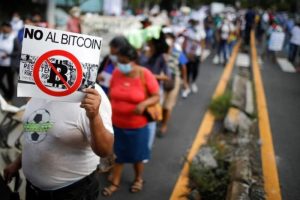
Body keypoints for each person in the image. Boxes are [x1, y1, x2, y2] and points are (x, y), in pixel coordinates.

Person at [3, 85, 114, 200]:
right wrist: (17, 163)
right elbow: (37, 133)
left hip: (73, 193)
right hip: (33, 190)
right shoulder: (39, 86)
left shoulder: (91, 94)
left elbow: (105, 150)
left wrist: (94, 116)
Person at [102, 43, 159, 196]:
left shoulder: (144, 74)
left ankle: (138, 179)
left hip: (137, 126)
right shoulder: (116, 73)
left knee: (138, 156)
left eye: (125, 61)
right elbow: (110, 94)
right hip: (117, 124)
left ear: (134, 60)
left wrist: (144, 103)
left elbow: (156, 96)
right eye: (120, 61)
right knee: (117, 155)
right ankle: (115, 182)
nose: (122, 65)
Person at [158, 32, 188, 136]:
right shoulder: (160, 53)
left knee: (168, 105)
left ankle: (164, 125)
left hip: (174, 80)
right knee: (160, 103)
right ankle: (162, 118)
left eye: (169, 38)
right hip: (160, 80)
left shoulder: (178, 52)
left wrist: (184, 82)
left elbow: (183, 67)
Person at [182, 16, 206, 97]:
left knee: (195, 70)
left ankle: (193, 82)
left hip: (197, 54)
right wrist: (183, 53)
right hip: (188, 54)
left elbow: (202, 43)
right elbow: (184, 42)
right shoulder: (187, 30)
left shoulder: (201, 31)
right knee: (187, 70)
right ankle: (187, 86)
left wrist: (202, 54)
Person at [0, 22, 20, 101]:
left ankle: (10, 97)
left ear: (10, 29)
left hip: (10, 64)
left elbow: (18, 51)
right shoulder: (0, 36)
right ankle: (6, 92)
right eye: (3, 29)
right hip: (1, 63)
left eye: (6, 29)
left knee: (10, 81)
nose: (4, 30)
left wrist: (8, 55)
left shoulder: (14, 38)